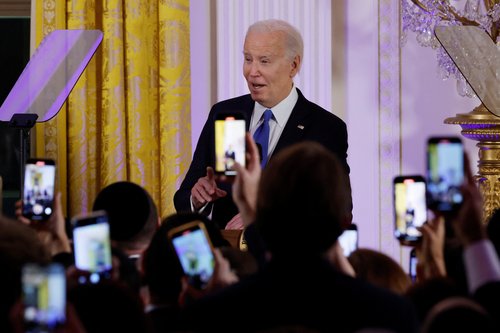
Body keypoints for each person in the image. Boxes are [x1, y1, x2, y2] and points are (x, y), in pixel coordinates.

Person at [178, 138, 417, 332]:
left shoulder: (211, 314)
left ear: (267, 216)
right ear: (344, 223)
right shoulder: (392, 314)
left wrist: (251, 212)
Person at [174, 18, 351, 229]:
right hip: (231, 257)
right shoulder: (224, 114)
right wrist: (198, 199)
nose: (252, 71)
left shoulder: (325, 128)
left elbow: (340, 210)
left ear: (293, 65)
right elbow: (183, 198)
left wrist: (267, 217)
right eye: (248, 59)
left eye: (264, 61)